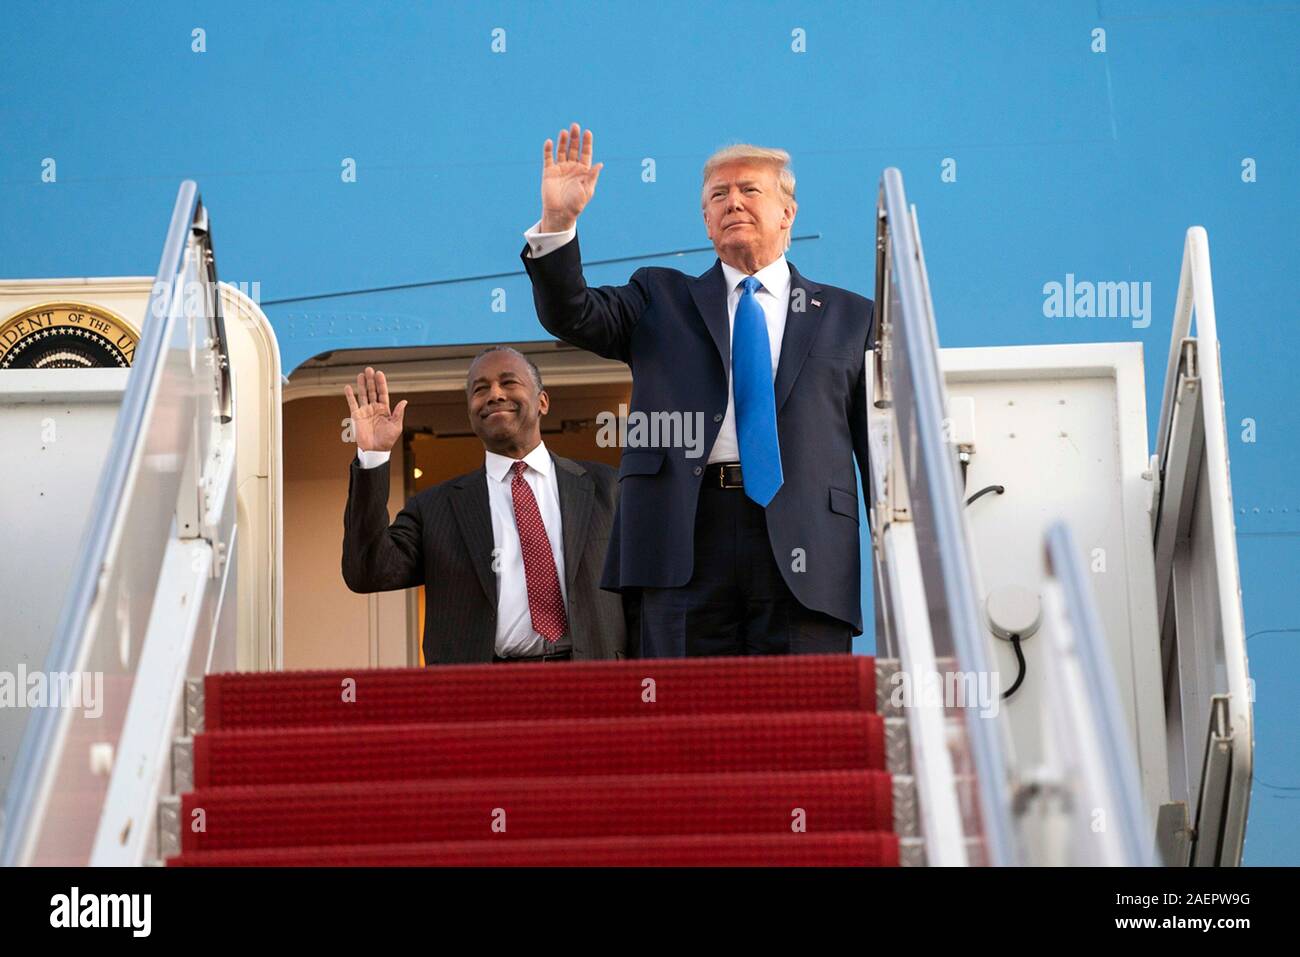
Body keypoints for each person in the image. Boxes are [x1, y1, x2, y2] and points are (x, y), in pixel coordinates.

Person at [519, 123, 873, 658]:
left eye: (750, 190)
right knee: (687, 728)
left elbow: (879, 448)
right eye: (718, 195)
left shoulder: (851, 317)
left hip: (806, 544)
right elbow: (573, 313)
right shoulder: (659, 298)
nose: (733, 202)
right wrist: (559, 224)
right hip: (683, 537)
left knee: (803, 727)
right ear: (706, 221)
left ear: (787, 213)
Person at [341, 346, 628, 663]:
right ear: (470, 411)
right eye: (480, 389)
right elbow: (367, 572)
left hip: (593, 685)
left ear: (542, 402)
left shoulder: (609, 489)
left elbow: (642, 593)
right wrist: (373, 455)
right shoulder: (435, 508)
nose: (494, 394)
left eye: (509, 383)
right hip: (482, 694)